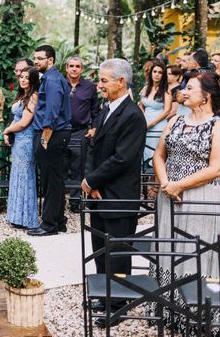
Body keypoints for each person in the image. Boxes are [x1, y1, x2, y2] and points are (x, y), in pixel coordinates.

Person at [150, 71, 220, 332]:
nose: (184, 91)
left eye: (191, 88)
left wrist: (180, 185)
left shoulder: (218, 126)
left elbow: (217, 168)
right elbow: (159, 155)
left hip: (199, 198)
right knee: (168, 247)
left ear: (206, 96)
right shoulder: (175, 120)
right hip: (169, 196)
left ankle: (195, 314)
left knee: (195, 250)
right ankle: (167, 310)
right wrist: (166, 183)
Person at [81, 58, 146, 329]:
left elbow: (122, 159)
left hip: (119, 196)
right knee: (100, 249)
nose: (99, 85)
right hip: (99, 194)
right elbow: (94, 148)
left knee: (117, 251)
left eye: (104, 80)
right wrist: (90, 183)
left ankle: (117, 304)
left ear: (121, 81)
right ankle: (102, 292)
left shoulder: (133, 116)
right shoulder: (106, 109)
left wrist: (93, 180)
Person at [27, 45, 71, 236]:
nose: (36, 61)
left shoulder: (52, 80)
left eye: (40, 58)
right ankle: (59, 221)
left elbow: (52, 110)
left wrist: (45, 138)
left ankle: (48, 225)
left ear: (50, 60)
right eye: (35, 58)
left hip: (51, 135)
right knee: (56, 180)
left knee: (50, 181)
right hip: (55, 134)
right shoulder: (52, 78)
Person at [3, 66, 39, 230]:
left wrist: (8, 130)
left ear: (33, 80)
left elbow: (24, 122)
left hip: (26, 141)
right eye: (21, 77)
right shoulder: (22, 96)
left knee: (25, 177)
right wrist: (7, 132)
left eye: (27, 77)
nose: (23, 80)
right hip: (17, 141)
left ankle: (26, 218)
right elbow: (16, 118)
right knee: (17, 176)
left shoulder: (33, 97)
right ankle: (16, 216)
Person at [64, 56, 99, 212]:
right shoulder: (60, 84)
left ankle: (75, 201)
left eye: (77, 66)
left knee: (78, 167)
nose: (74, 69)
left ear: (81, 69)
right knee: (61, 166)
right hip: (61, 131)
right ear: (66, 68)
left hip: (80, 132)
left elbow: (95, 110)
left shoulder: (89, 87)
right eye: (71, 66)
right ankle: (58, 201)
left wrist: (94, 128)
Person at [138, 60, 172, 166]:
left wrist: (152, 123)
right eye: (155, 71)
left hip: (158, 126)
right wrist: (142, 114)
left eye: (160, 72)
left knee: (156, 158)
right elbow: (141, 104)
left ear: (163, 75)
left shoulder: (166, 90)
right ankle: (145, 182)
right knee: (143, 157)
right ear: (151, 72)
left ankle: (155, 182)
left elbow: (167, 110)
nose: (157, 75)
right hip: (144, 124)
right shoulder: (146, 88)